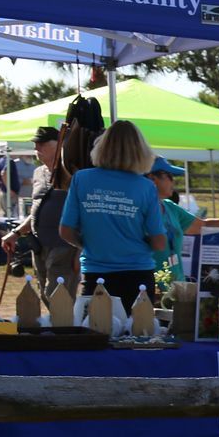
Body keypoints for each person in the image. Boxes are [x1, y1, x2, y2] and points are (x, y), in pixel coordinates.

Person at [58, 119, 166, 314]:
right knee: (137, 336)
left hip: (96, 273)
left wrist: (89, 243)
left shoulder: (81, 179)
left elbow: (65, 230)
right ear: (140, 151)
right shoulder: (146, 187)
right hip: (138, 275)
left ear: (102, 147)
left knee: (96, 336)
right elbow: (159, 242)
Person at [1, 126, 78, 296]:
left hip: (64, 247)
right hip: (39, 245)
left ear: (59, 144)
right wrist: (16, 233)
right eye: (36, 144)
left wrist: (79, 252)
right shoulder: (38, 173)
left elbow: (85, 215)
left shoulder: (74, 175)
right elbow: (37, 211)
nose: (37, 148)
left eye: (42, 144)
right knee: (44, 293)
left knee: (59, 298)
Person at [147, 156, 203, 284]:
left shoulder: (169, 206)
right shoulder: (140, 209)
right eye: (170, 176)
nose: (174, 182)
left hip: (176, 286)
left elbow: (203, 226)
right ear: (152, 178)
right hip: (150, 288)